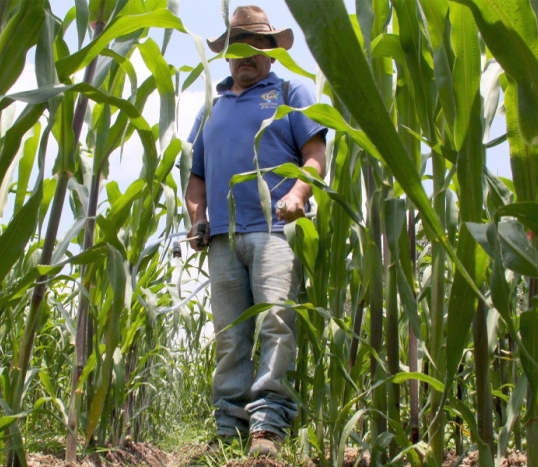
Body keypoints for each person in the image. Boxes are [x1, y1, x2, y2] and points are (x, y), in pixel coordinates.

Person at [184, 5, 327, 458]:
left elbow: (314, 155)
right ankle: (228, 426)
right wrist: (196, 218)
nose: (246, 56)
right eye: (237, 48)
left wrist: (299, 194)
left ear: (270, 50)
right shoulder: (211, 107)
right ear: (226, 55)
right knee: (229, 334)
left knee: (275, 323)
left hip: (274, 232)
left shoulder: (289, 92)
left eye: (256, 46)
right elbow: (197, 179)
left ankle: (268, 427)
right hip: (223, 238)